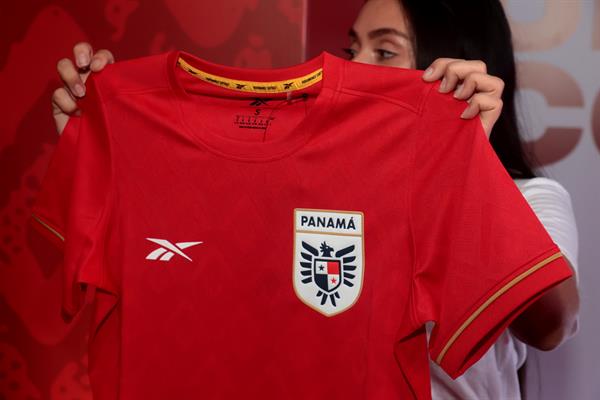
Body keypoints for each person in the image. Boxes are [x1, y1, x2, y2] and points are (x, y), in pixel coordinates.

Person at [49, 0, 579, 398]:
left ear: (458, 62)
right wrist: (98, 140)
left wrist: (462, 159)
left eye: (386, 50)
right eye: (354, 50)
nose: (360, 65)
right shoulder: (311, 181)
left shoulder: (534, 198)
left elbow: (549, 325)